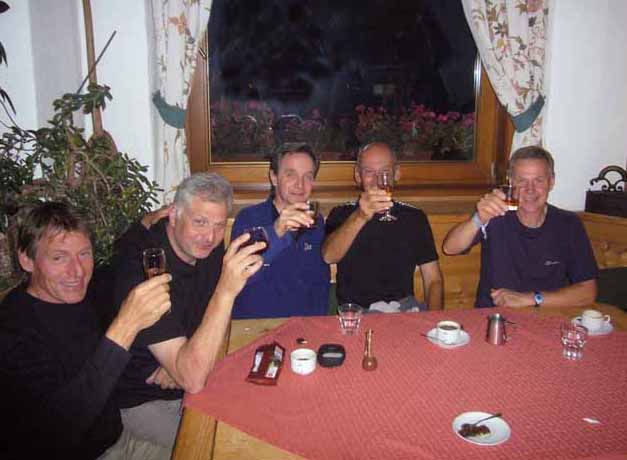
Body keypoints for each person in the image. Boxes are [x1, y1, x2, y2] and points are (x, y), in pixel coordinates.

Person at [0, 202, 172, 459]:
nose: (77, 271)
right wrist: (126, 325)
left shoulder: (84, 291)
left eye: (84, 254)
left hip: (118, 439)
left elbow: (120, 259)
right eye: (58, 257)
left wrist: (143, 225)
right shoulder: (12, 330)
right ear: (27, 260)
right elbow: (61, 429)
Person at [111, 172, 263, 452]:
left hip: (191, 375)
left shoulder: (209, 248)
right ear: (173, 215)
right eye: (200, 222)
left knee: (261, 415)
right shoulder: (147, 268)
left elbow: (209, 332)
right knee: (228, 448)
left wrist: (182, 362)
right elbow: (192, 378)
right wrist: (226, 290)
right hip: (144, 399)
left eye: (219, 225)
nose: (210, 237)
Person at [442, 145, 598, 308]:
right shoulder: (496, 215)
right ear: (511, 182)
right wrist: (478, 219)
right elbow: (450, 248)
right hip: (494, 316)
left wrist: (530, 299)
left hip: (548, 315)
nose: (530, 190)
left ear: (551, 182)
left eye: (538, 180)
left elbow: (588, 292)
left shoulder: (568, 224)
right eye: (522, 181)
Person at [323, 142, 443, 312]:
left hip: (403, 312)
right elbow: (329, 256)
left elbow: (433, 280)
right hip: (357, 313)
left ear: (397, 174)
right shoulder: (341, 214)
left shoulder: (414, 218)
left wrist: (434, 319)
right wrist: (361, 216)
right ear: (358, 175)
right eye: (369, 172)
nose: (378, 180)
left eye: (385, 172)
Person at [231, 143, 330, 318]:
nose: (300, 184)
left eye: (308, 176)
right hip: (255, 325)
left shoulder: (316, 222)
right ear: (274, 177)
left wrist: (318, 323)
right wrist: (276, 231)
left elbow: (320, 283)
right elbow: (238, 277)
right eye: (291, 174)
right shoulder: (249, 219)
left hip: (304, 326)